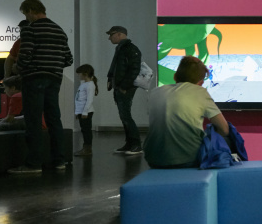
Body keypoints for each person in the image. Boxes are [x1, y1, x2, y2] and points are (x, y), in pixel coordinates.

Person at [9, 0, 73, 174]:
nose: (26, 17)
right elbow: (69, 58)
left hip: (34, 79)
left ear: (30, 11)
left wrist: (17, 68)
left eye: (25, 13)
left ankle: (33, 163)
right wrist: (52, 65)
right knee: (54, 119)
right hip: (54, 79)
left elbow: (26, 54)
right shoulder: (59, 30)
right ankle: (59, 160)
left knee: (34, 120)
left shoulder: (30, 29)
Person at [144, 56, 229, 168]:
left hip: (153, 159)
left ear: (175, 77)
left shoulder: (155, 92)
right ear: (201, 82)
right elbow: (224, 129)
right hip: (188, 160)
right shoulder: (200, 92)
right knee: (228, 138)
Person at [106, 26, 142, 154]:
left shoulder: (130, 49)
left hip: (125, 88)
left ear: (120, 34)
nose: (109, 37)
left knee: (126, 116)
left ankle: (136, 144)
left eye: (111, 34)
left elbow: (134, 70)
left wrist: (124, 86)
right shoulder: (122, 48)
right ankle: (129, 144)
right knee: (124, 116)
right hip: (121, 87)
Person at [74, 64, 98, 156]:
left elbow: (89, 100)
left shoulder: (90, 85)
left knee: (86, 130)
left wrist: (84, 112)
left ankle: (87, 149)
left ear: (85, 73)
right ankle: (86, 148)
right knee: (84, 130)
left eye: (79, 74)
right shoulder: (84, 84)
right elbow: (79, 99)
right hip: (82, 112)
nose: (78, 75)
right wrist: (77, 112)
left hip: (86, 112)